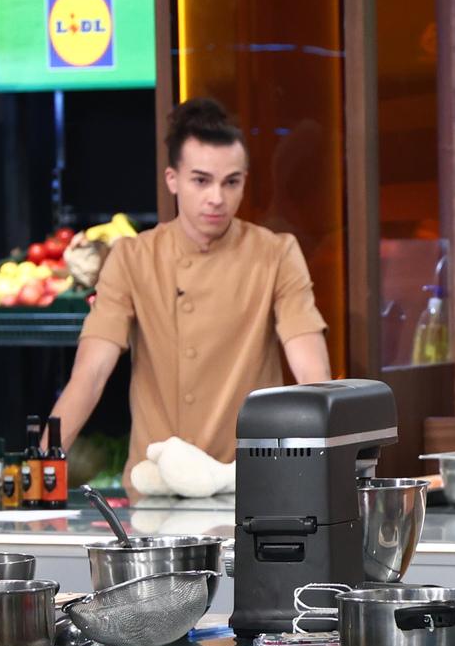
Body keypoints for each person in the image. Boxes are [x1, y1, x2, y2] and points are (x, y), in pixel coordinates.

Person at [53, 98, 332, 484]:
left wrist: (327, 473)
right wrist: (39, 463)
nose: (217, 197)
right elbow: (91, 374)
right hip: (156, 488)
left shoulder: (275, 254)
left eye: (231, 182)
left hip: (250, 482)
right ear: (173, 179)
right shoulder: (133, 258)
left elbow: (312, 374)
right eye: (201, 181)